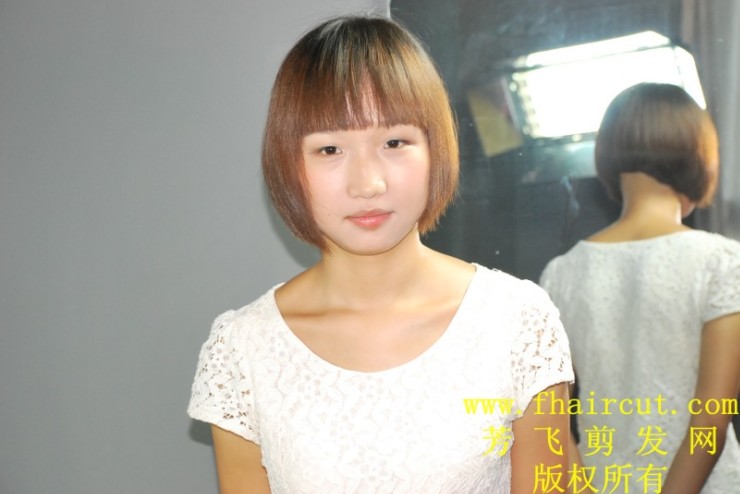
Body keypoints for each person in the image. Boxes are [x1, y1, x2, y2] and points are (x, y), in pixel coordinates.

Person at [188, 15, 573, 494]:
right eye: (330, 149)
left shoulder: (517, 321)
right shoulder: (242, 350)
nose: (367, 183)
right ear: (288, 163)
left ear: (435, 147)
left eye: (394, 142)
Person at [540, 82, 740, 493]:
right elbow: (711, 418)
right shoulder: (721, 262)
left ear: (608, 154)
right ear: (699, 157)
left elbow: (553, 423)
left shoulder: (560, 274)